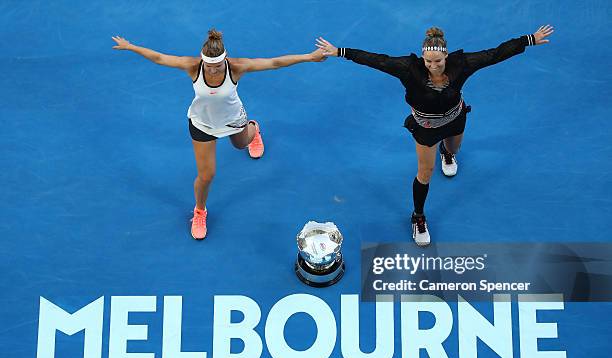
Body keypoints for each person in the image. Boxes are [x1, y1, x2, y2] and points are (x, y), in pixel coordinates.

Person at [316, 25, 554, 246]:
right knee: (425, 172)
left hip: (455, 118)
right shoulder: (408, 69)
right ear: (423, 58)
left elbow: (494, 54)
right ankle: (418, 216)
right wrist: (339, 51)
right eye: (428, 61)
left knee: (454, 149)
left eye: (438, 61)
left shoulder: (462, 64)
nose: (433, 65)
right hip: (427, 128)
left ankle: (447, 154)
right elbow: (377, 60)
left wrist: (529, 39)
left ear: (446, 56)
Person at [112, 29, 326, 239]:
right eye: (209, 67)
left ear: (226, 59)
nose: (213, 71)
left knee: (241, 144)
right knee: (207, 175)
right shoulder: (193, 67)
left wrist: (309, 57)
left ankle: (254, 128)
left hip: (233, 120)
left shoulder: (237, 67)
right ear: (202, 60)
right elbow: (159, 58)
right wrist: (130, 46)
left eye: (217, 66)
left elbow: (274, 62)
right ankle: (199, 212)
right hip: (202, 124)